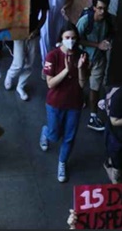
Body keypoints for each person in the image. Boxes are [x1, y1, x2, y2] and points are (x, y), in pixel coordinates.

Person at [39, 23, 89, 183]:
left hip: (74, 103)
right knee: (55, 134)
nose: (71, 41)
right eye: (67, 38)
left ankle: (62, 162)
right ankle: (45, 131)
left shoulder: (82, 55)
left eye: (74, 38)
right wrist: (66, 70)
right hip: (55, 103)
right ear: (61, 38)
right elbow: (50, 83)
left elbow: (82, 84)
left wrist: (80, 68)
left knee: (69, 136)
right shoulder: (52, 56)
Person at [3, 0, 48, 101]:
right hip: (19, 30)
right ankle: (10, 77)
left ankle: (21, 86)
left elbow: (44, 15)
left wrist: (37, 30)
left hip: (33, 32)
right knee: (18, 61)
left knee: (30, 62)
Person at [76, 0, 114, 132]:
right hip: (84, 58)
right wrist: (97, 45)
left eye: (105, 8)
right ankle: (76, 102)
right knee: (80, 83)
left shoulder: (108, 20)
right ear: (94, 8)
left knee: (95, 88)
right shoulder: (85, 21)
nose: (103, 11)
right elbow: (77, 39)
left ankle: (93, 116)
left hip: (99, 59)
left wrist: (107, 42)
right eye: (100, 8)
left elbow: (111, 33)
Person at [40, 0, 74, 73]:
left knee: (58, 37)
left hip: (60, 13)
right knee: (45, 38)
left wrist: (65, 7)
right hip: (46, 12)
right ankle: (45, 65)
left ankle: (57, 63)